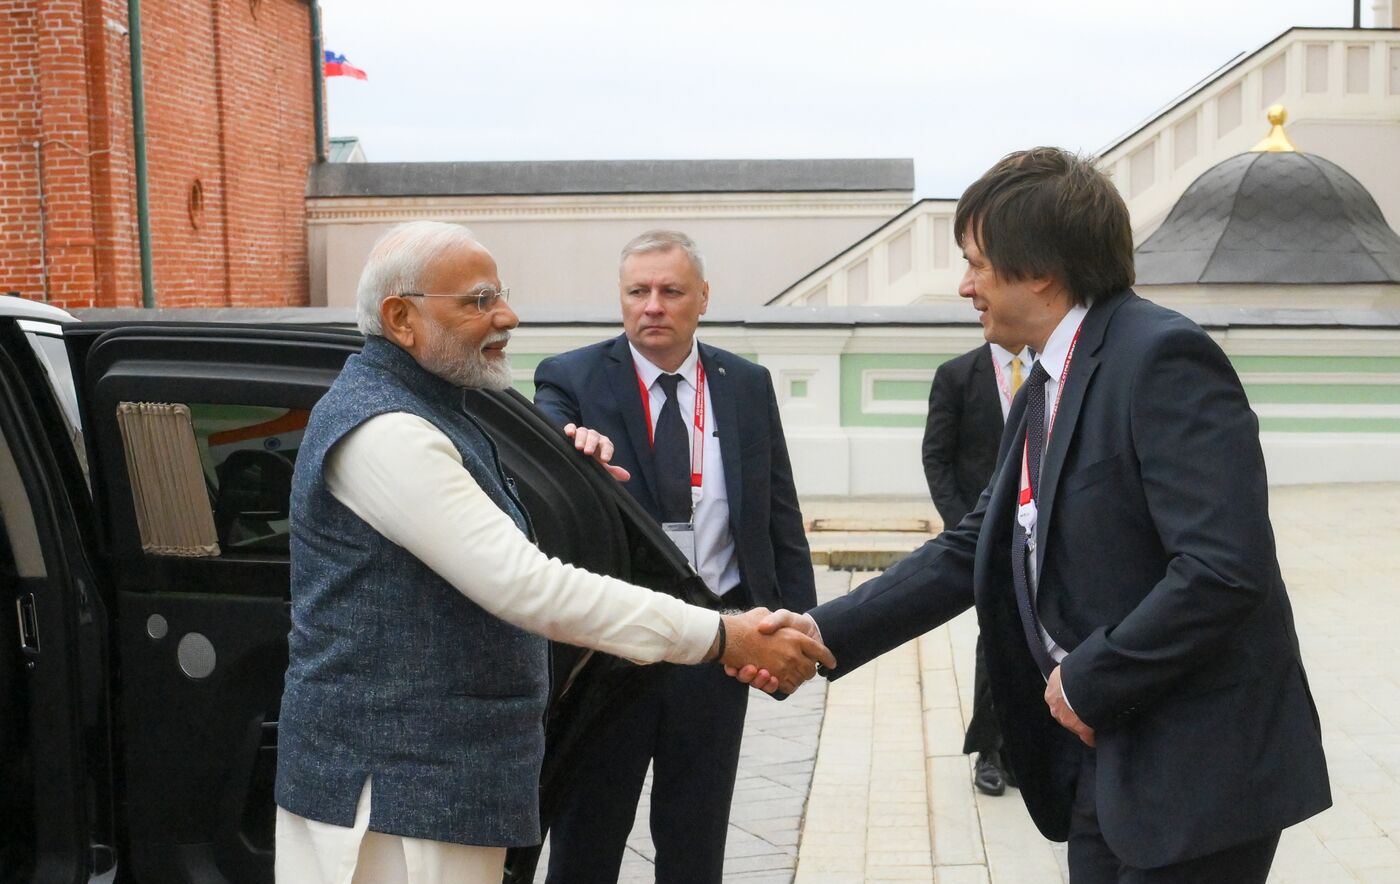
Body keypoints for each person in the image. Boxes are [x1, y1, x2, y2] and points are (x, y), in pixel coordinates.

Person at [745, 148, 1331, 883]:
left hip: (1195, 770)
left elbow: (1222, 569)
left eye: (977, 264)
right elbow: (976, 547)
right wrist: (822, 632)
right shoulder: (1046, 380)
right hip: (1102, 756)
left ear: (1042, 271)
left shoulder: (1162, 359)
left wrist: (1091, 678)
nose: (965, 286)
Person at [273, 221, 833, 884]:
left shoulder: (449, 407)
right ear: (401, 317)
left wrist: (581, 489)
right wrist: (720, 634)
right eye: (479, 301)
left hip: (441, 788)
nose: (506, 316)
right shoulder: (388, 430)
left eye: (499, 295)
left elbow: (502, 526)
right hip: (397, 799)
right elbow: (524, 583)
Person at [533, 229, 817, 883]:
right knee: (586, 843)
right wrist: (566, 440)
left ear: (702, 298)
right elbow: (546, 430)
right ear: (622, 298)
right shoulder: (572, 377)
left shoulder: (744, 384)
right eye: (638, 291)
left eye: (670, 291)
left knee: (696, 844)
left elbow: (778, 511)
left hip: (718, 649)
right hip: (608, 655)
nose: (653, 305)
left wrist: (800, 624)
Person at [922, 341, 1033, 796]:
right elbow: (937, 458)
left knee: (1034, 642)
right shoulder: (957, 374)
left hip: (1041, 533)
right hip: (984, 536)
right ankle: (989, 750)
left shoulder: (1053, 367)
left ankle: (1021, 749)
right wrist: (965, 527)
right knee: (996, 638)